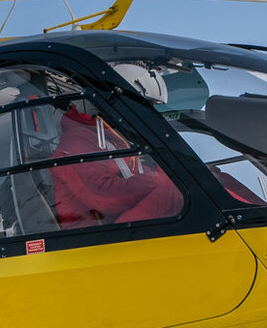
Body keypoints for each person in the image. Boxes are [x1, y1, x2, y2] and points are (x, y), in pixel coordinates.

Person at [49, 64, 185, 228]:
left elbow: (146, 175)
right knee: (175, 193)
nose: (148, 117)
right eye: (142, 108)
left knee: (202, 186)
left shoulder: (123, 143)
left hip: (119, 226)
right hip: (96, 236)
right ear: (116, 103)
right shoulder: (77, 140)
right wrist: (163, 179)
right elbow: (103, 197)